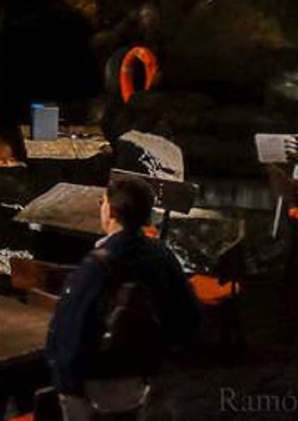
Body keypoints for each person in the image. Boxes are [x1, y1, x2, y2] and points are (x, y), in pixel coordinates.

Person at [45, 177, 200, 421]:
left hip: (99, 384)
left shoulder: (96, 266)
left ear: (112, 210)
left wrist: (66, 382)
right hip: (151, 375)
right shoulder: (161, 256)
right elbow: (188, 316)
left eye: (102, 202)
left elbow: (72, 330)